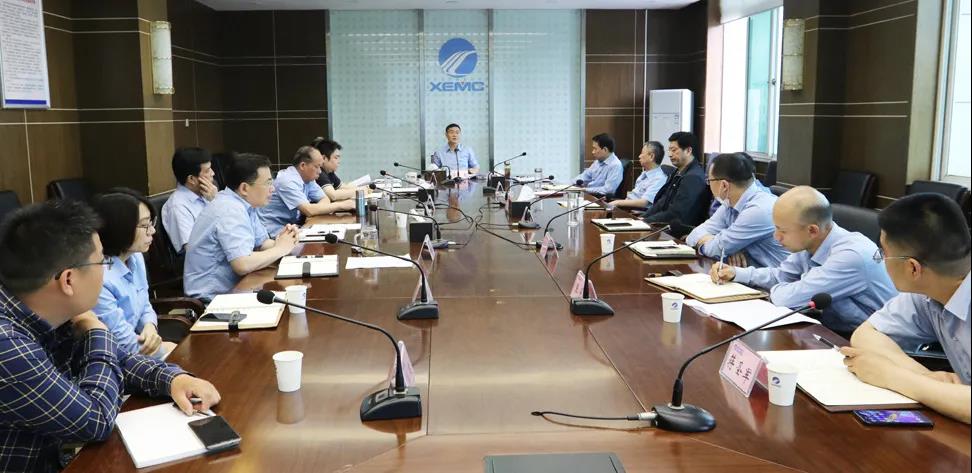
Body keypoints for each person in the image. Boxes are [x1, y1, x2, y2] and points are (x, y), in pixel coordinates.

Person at [0, 200, 220, 472]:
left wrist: (174, 379)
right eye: (102, 261)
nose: (106, 271)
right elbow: (95, 420)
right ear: (68, 280)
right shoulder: (7, 345)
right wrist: (97, 330)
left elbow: (117, 361)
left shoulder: (48, 308)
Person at [842, 193, 970, 424]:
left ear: (913, 268)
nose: (882, 260)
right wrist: (925, 377)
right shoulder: (928, 290)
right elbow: (867, 333)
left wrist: (893, 376)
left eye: (884, 253)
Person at [711, 186, 897, 337]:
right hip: (837, 330)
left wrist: (783, 289)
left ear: (812, 230)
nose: (776, 237)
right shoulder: (811, 242)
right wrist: (736, 273)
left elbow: (786, 299)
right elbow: (781, 275)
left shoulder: (850, 256)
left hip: (879, 342)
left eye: (783, 231)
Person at [184, 153, 299, 301]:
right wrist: (280, 249)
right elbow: (242, 264)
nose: (273, 189)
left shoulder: (244, 205)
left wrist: (286, 240)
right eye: (268, 183)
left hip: (237, 288)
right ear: (244, 188)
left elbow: (262, 243)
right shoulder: (229, 209)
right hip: (212, 299)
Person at [91, 189, 176, 359]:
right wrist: (167, 349)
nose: (152, 231)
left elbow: (144, 304)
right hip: (118, 359)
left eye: (152, 223)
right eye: (144, 225)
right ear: (119, 229)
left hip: (142, 348)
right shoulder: (100, 278)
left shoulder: (135, 256)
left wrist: (150, 326)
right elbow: (123, 344)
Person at [685, 153, 789, 268]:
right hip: (746, 272)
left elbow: (716, 249)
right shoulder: (729, 203)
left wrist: (720, 247)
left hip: (776, 277)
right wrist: (727, 249)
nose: (708, 185)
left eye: (709, 181)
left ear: (724, 185)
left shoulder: (758, 210)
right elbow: (694, 235)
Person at [261, 145, 355, 235]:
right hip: (273, 231)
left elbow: (324, 198)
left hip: (291, 227)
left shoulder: (308, 179)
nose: (320, 171)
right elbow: (308, 210)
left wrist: (315, 210)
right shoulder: (287, 181)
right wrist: (342, 205)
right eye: (317, 166)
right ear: (303, 165)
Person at [640, 131, 711, 236]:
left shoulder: (693, 177)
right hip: (664, 225)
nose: (670, 154)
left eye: (674, 150)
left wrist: (646, 221)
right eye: (669, 150)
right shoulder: (678, 171)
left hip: (678, 232)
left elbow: (676, 213)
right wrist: (643, 218)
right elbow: (662, 201)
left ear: (688, 151)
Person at [161, 147, 217, 253]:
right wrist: (215, 204)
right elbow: (193, 249)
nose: (213, 173)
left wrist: (215, 200)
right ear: (191, 179)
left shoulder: (208, 195)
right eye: (207, 170)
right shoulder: (178, 207)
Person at [609, 140, 666, 209]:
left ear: (651, 156)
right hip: (626, 207)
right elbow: (635, 195)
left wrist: (617, 202)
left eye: (642, 153)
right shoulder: (645, 173)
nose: (639, 156)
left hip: (635, 212)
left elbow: (644, 203)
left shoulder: (659, 179)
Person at [312, 138, 365, 202]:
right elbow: (333, 195)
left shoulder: (330, 172)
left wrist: (365, 188)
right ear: (324, 158)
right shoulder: (319, 172)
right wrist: (361, 191)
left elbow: (343, 187)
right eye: (336, 158)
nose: (339, 161)